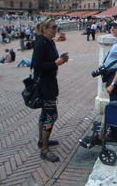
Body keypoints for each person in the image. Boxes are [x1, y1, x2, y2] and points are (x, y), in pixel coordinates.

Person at [32, 17, 69, 162]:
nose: (56, 30)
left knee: (45, 113)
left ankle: (43, 141)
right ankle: (44, 150)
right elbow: (37, 65)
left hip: (49, 83)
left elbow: (50, 62)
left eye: (56, 27)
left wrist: (59, 61)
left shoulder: (49, 42)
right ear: (45, 28)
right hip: (44, 85)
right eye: (53, 27)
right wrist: (55, 63)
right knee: (51, 116)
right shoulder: (41, 43)